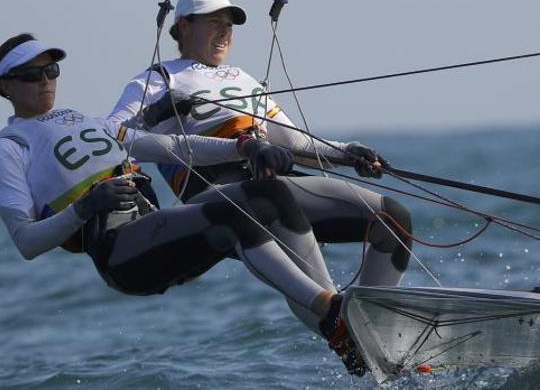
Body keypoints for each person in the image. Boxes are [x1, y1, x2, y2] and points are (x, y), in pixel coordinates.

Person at [0, 33, 366, 375]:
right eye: (31, 75)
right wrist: (86, 206)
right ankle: (331, 311)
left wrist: (244, 146)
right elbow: (27, 242)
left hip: (152, 229)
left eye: (51, 70)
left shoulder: (91, 123)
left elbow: (175, 147)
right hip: (122, 256)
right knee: (229, 214)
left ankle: (348, 339)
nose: (45, 81)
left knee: (266, 191)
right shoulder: (11, 146)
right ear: (5, 85)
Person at [107, 0, 413, 306]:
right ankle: (334, 314)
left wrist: (347, 153)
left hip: (270, 184)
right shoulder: (157, 79)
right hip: (218, 196)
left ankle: (376, 322)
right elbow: (112, 136)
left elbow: (291, 140)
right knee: (272, 196)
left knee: (393, 218)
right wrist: (152, 113)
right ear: (184, 26)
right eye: (214, 22)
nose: (225, 31)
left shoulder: (241, 77)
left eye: (229, 24)